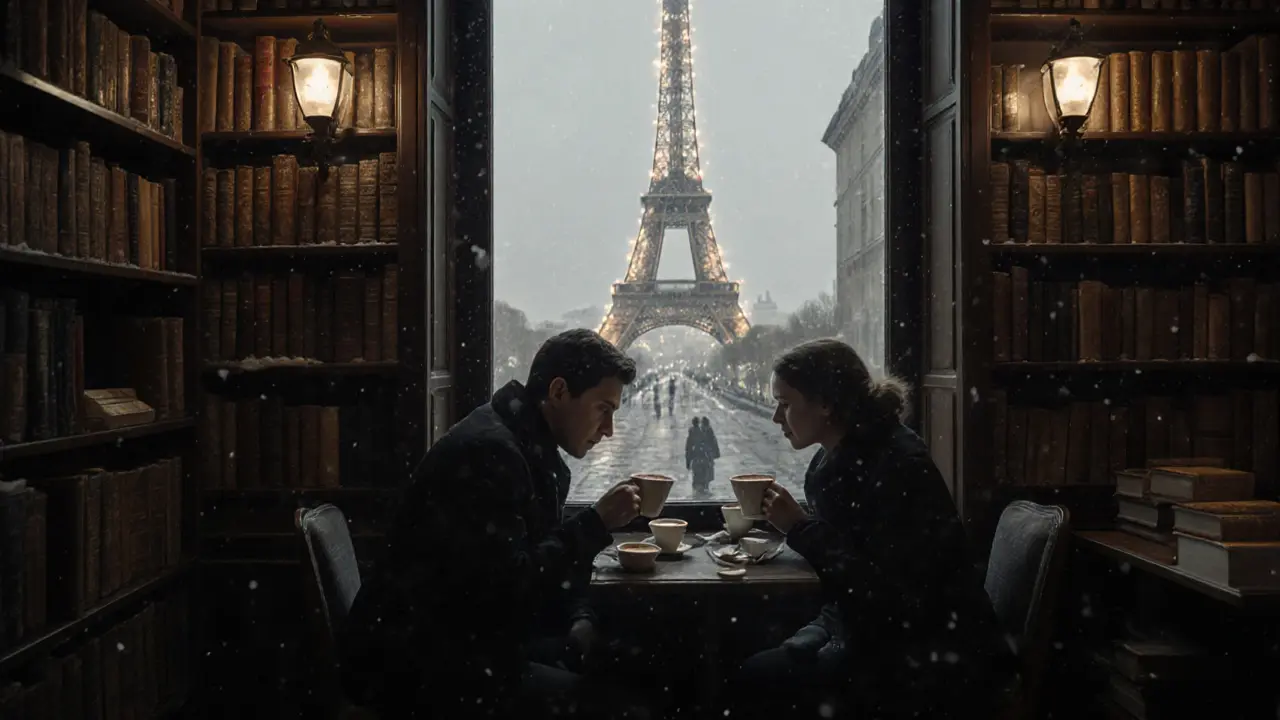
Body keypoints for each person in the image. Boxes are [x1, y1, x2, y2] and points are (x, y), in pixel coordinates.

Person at [340, 329, 653, 720]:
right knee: (629, 703)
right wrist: (596, 522)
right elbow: (508, 590)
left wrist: (580, 616)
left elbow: (518, 575)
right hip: (425, 670)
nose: (609, 429)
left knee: (625, 668)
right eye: (603, 409)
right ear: (558, 392)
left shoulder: (512, 442)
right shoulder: (491, 455)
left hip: (444, 646)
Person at [732, 338, 1018, 719]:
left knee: (751, 677)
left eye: (784, 404)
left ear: (825, 404)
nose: (775, 418)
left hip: (923, 661)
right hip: (918, 641)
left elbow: (884, 591)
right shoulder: (866, 454)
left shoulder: (889, 466)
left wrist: (800, 527)